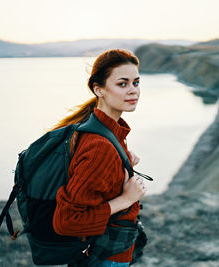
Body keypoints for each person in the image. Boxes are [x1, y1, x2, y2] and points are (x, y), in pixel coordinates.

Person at [51, 48, 147, 267]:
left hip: (109, 253)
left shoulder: (108, 132)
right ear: (99, 89)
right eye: (122, 84)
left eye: (136, 82)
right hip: (104, 259)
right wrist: (126, 199)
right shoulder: (99, 146)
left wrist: (121, 163)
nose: (133, 91)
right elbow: (67, 221)